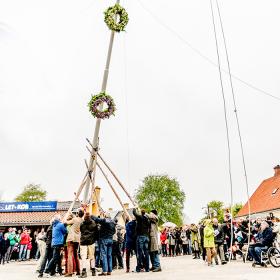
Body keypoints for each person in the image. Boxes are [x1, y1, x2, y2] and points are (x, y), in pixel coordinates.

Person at [91, 212, 116, 276]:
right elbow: (114, 231)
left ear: (105, 216)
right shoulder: (113, 222)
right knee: (109, 255)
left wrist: (91, 215)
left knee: (104, 255)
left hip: (104, 239)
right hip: (110, 239)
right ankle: (109, 271)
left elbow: (96, 219)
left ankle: (104, 271)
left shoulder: (105, 220)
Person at [64, 210, 84, 277]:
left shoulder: (74, 219)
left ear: (78, 214)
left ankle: (70, 272)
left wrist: (67, 215)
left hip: (71, 238)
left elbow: (66, 222)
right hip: (77, 239)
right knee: (76, 255)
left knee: (70, 255)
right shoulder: (82, 220)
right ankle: (78, 271)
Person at [79, 212, 97, 278]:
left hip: (83, 241)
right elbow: (96, 232)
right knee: (92, 256)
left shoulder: (82, 223)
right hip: (91, 241)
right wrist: (94, 239)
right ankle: (93, 270)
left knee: (83, 257)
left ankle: (84, 272)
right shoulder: (94, 223)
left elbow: (81, 231)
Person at [133, 208, 150, 272]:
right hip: (146, 237)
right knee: (146, 252)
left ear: (141, 212)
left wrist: (135, 207)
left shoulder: (140, 217)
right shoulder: (147, 219)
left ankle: (139, 268)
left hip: (141, 236)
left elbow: (134, 213)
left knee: (139, 253)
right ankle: (147, 268)